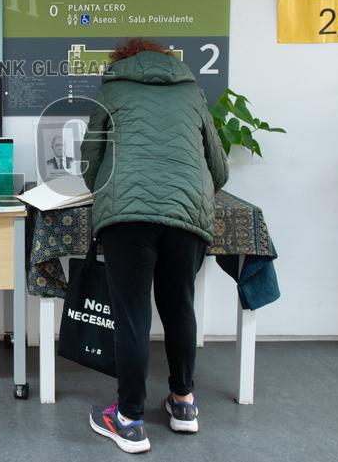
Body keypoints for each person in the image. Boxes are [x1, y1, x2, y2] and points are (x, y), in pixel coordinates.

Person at [79, 38, 228, 454]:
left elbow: (90, 156)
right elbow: (219, 167)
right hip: (187, 215)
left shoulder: (114, 89)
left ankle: (128, 420)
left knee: (131, 314)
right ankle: (184, 404)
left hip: (127, 216)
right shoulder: (192, 93)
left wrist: (108, 191)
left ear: (122, 62)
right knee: (179, 305)